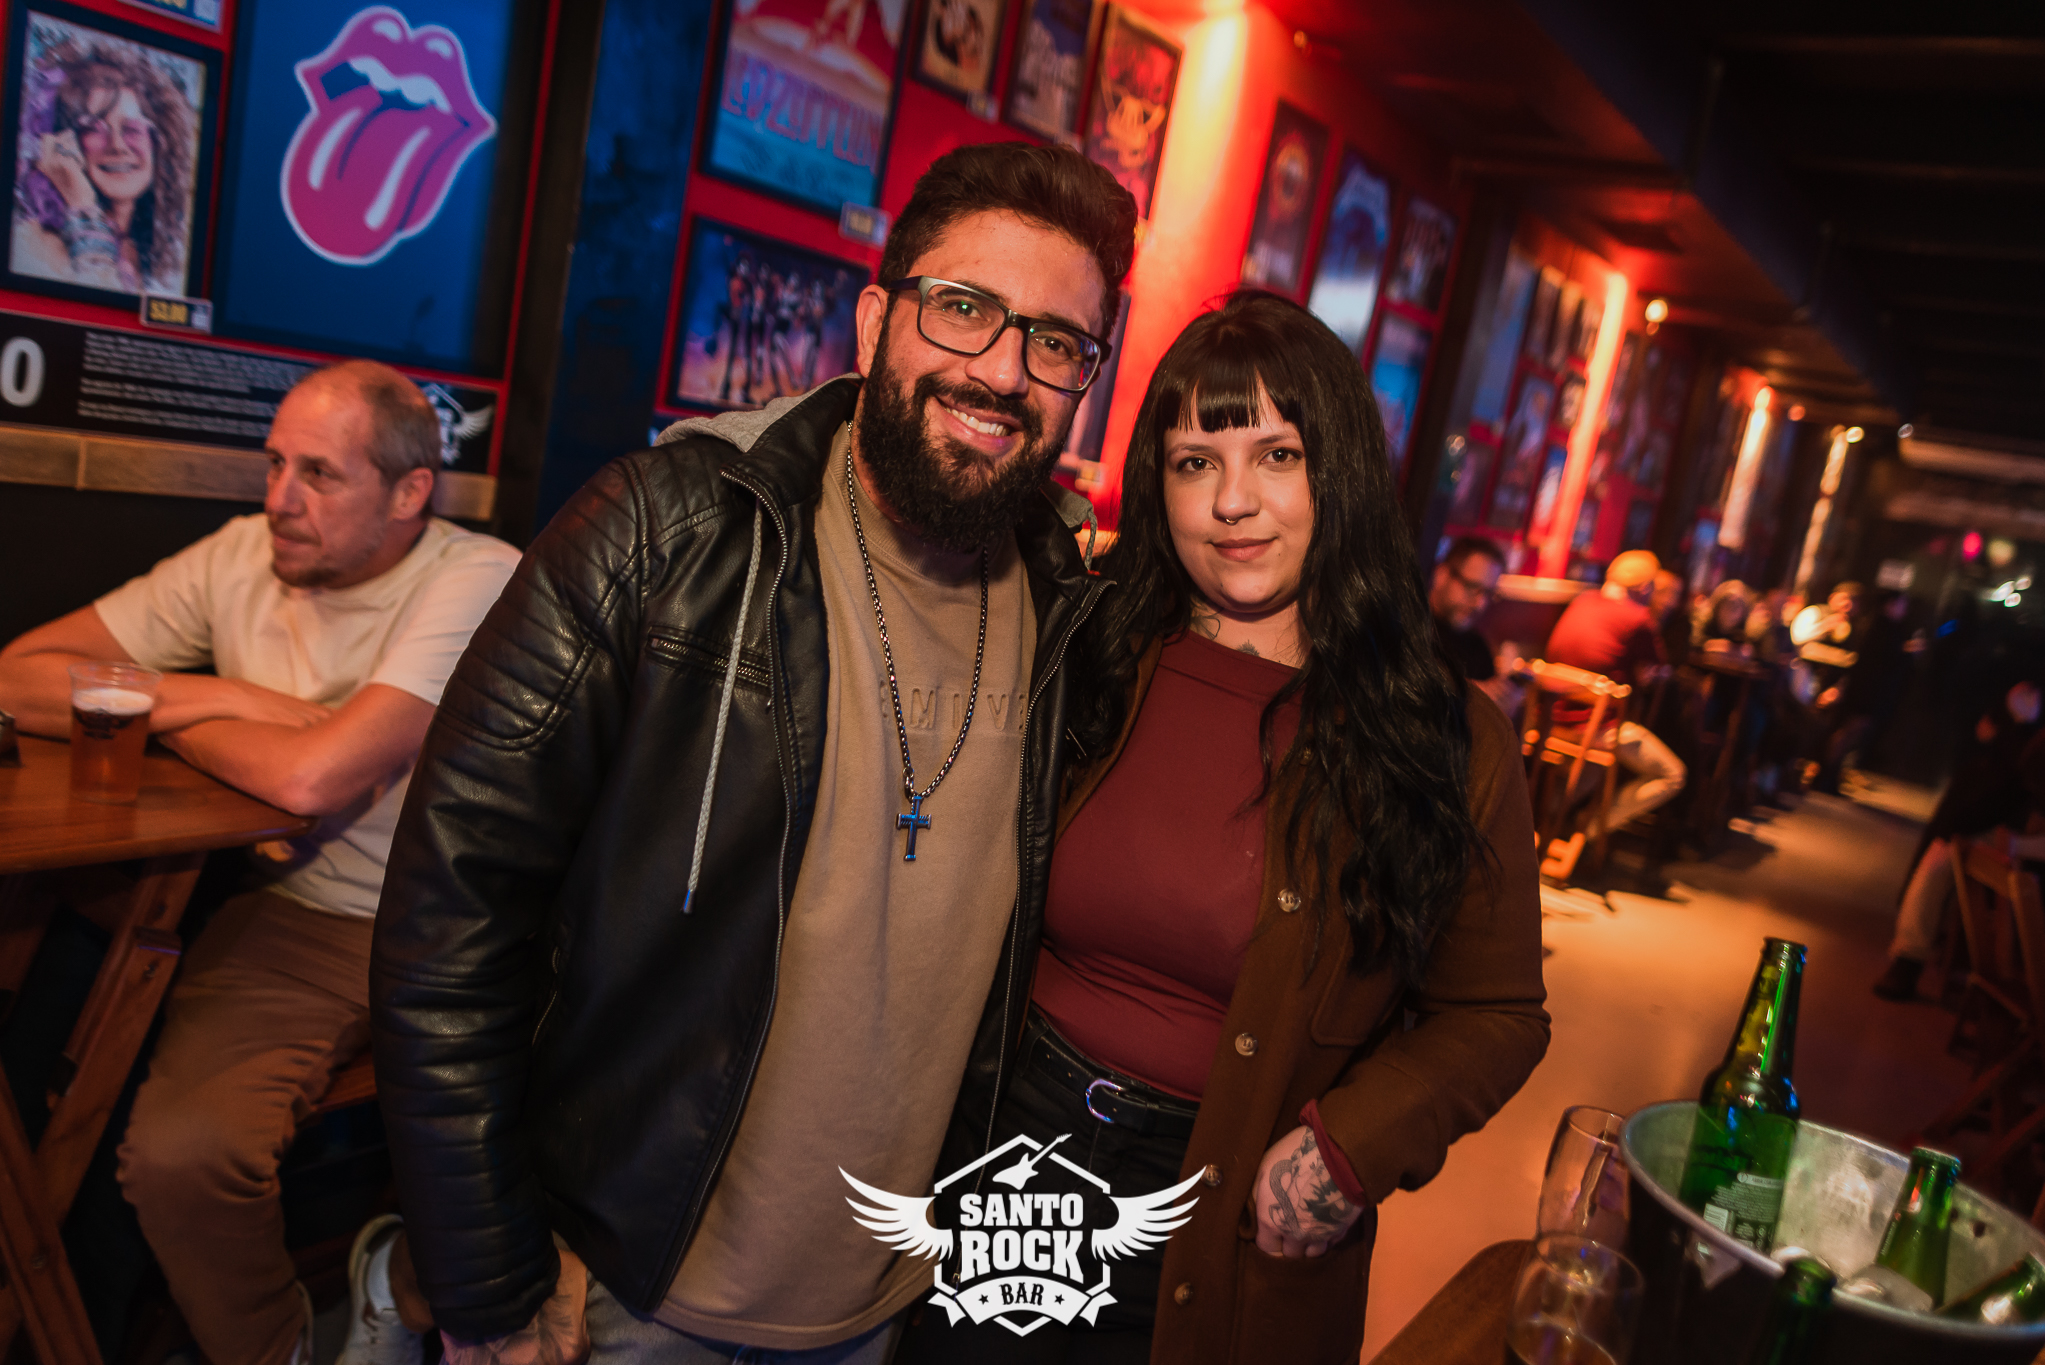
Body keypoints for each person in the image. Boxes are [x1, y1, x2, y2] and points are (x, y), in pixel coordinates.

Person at [369, 142, 1138, 1364]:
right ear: (875, 320)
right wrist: (486, 1279)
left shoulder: (1069, 611)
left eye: (1056, 343)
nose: (1002, 370)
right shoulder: (666, 532)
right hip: (611, 1292)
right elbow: (449, 916)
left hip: (886, 1306)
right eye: (962, 308)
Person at [893, 292, 1548, 1364]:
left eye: (1277, 456)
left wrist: (1347, 1149)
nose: (1232, 502)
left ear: (1339, 470)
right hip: (1003, 1146)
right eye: (1194, 462)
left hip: (1228, 1208)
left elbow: (1496, 1012)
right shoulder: (1084, 649)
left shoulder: (1442, 735)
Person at [0, 361, 520, 1365]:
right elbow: (17, 676)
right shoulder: (243, 554)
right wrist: (213, 701)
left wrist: (143, 708)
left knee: (557, 1136)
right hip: (300, 911)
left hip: (466, 924)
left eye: (319, 474)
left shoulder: (475, 575)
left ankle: (398, 1288)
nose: (280, 498)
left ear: (410, 492)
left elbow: (313, 778)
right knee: (181, 1156)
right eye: (275, 462)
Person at [1874, 678, 2045, 1000]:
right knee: (1944, 853)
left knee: (1946, 853)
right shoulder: (2024, 739)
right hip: (2022, 834)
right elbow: (2017, 785)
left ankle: (1914, 960)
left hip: (2029, 840)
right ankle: (1910, 959)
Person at [14, 37, 196, 295]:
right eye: (94, 128)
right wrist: (83, 208)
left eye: (132, 129)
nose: (117, 145)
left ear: (159, 143)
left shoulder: (167, 254)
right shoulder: (31, 245)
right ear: (65, 141)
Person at [1541, 549, 1687, 838]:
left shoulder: (1582, 600)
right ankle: (1587, 830)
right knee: (1673, 774)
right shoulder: (1638, 617)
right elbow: (1657, 668)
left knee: (1592, 765)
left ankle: (1547, 824)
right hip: (1595, 728)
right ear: (1645, 587)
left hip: (1549, 720)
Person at [1428, 534, 1517, 712]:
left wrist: (1500, 710)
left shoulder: (1478, 647)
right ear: (1441, 575)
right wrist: (1470, 694)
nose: (1480, 604)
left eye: (1488, 593)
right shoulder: (1408, 628)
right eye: (1472, 587)